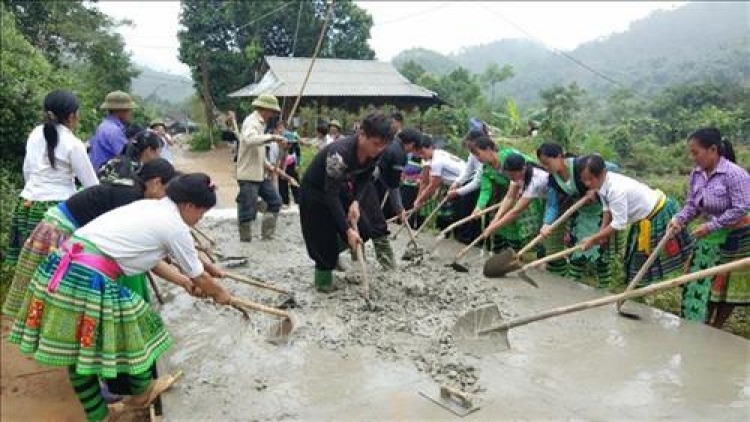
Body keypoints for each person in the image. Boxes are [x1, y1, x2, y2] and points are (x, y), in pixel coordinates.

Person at [8, 173, 229, 422]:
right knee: (142, 326)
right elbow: (200, 278)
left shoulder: (149, 206)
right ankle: (142, 392)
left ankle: (98, 414)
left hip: (64, 264)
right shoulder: (175, 226)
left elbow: (153, 261)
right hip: (88, 276)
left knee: (77, 349)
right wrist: (222, 295)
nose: (199, 220)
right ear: (189, 205)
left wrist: (195, 276)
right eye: (201, 214)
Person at [2, 158, 176, 318]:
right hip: (58, 232)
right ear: (156, 182)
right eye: (166, 191)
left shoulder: (131, 187)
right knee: (53, 298)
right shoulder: (131, 197)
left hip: (60, 227)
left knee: (52, 297)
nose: (164, 198)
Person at [3, 90, 99, 286]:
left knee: (28, 264)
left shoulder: (35, 134)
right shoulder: (73, 144)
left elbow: (28, 171)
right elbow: (92, 186)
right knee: (54, 271)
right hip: (57, 212)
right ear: (72, 115)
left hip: (27, 204)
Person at [299, 113, 395, 292]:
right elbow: (330, 195)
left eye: (384, 145)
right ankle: (323, 282)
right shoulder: (339, 153)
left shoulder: (376, 152)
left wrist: (356, 201)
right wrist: (346, 229)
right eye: (376, 144)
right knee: (323, 239)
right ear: (362, 134)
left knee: (364, 230)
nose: (379, 149)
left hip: (341, 189)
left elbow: (366, 178)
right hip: (316, 192)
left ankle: (330, 252)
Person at [670, 128, 749, 328]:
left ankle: (715, 327)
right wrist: (679, 220)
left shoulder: (734, 174)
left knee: (725, 285)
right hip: (711, 232)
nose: (692, 157)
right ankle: (696, 324)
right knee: (698, 281)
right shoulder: (696, 174)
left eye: (695, 152)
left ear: (713, 150)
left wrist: (712, 225)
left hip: (738, 233)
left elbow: (742, 207)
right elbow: (692, 205)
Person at [579, 155, 693, 285]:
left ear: (602, 173)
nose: (587, 184)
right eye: (584, 180)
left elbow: (619, 224)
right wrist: (601, 234)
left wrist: (594, 238)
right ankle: (640, 290)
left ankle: (685, 279)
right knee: (638, 263)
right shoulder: (601, 183)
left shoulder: (615, 189)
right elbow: (607, 208)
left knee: (670, 255)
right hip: (644, 218)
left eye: (590, 179)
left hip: (659, 213)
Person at [537, 143, 620, 285]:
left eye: (547, 163)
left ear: (559, 157)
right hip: (581, 217)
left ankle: (605, 290)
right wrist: (546, 223)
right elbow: (552, 204)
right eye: (543, 165)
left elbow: (612, 168)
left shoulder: (579, 164)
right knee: (577, 253)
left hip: (602, 214)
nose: (546, 168)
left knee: (602, 257)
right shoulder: (553, 179)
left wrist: (596, 188)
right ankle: (571, 286)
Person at [232, 94, 286, 242]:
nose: (273, 115)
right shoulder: (252, 122)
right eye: (272, 111)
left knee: (275, 202)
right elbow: (249, 140)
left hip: (260, 173)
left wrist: (268, 166)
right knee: (247, 209)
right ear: (265, 109)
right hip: (248, 174)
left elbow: (258, 151)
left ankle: (267, 235)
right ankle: (245, 239)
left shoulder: (261, 123)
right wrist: (272, 137)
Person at [471, 136, 538, 252]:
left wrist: (523, 188)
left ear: (488, 149)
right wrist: (479, 207)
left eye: (478, 153)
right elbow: (485, 190)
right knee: (504, 225)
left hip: (528, 193)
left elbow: (530, 166)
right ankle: (510, 255)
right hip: (510, 196)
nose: (477, 158)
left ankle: (527, 254)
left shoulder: (508, 156)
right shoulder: (486, 169)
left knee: (526, 228)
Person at [480, 154, 547, 254]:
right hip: (545, 199)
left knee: (546, 234)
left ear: (523, 169)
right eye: (508, 175)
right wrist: (495, 220)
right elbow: (509, 198)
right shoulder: (516, 176)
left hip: (559, 199)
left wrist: (494, 227)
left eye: (512, 175)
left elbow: (516, 211)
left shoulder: (535, 179)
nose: (510, 178)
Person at [412, 136, 465, 229]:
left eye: (422, 152)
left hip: (465, 184)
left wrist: (420, 200)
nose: (422, 156)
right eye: (419, 154)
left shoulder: (437, 161)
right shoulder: (437, 155)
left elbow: (433, 184)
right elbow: (426, 181)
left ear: (430, 147)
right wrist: (419, 199)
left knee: (460, 214)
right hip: (456, 185)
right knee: (449, 212)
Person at [447, 129, 485, 244]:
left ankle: (474, 239)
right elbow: (467, 171)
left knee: (474, 213)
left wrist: (458, 192)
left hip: (484, 186)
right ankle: (464, 237)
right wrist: (457, 183)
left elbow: (478, 181)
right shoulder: (472, 154)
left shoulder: (485, 154)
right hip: (474, 182)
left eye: (471, 147)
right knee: (463, 209)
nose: (471, 151)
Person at [376, 127, 422, 221]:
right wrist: (400, 209)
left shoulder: (390, 142)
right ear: (412, 144)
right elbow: (394, 186)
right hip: (373, 186)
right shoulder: (399, 154)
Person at [88, 91, 135, 170]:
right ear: (119, 111)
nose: (130, 113)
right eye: (128, 110)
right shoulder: (114, 131)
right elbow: (127, 156)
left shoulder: (103, 126)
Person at [98, 128, 162, 184]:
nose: (159, 156)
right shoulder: (138, 173)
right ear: (149, 151)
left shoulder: (115, 161)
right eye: (159, 151)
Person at [277, 121, 301, 206]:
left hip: (291, 163)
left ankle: (299, 200)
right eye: (279, 127)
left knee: (294, 181)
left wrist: (298, 164)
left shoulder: (292, 138)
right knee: (282, 182)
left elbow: (298, 152)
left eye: (282, 127)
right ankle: (285, 201)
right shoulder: (277, 144)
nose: (280, 129)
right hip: (279, 166)